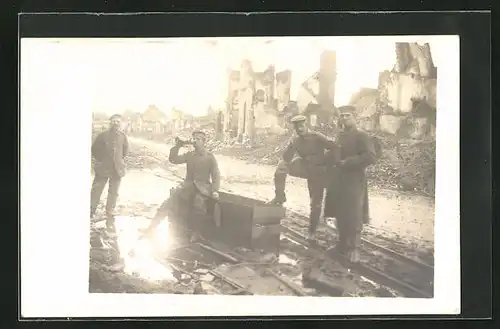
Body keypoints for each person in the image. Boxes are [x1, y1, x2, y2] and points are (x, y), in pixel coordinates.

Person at [267, 115, 339, 240]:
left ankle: (312, 231)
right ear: (294, 128)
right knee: (280, 169)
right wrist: (289, 155)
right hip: (305, 167)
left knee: (315, 203)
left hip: (319, 171)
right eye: (296, 127)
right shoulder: (295, 139)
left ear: (305, 125)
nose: (300, 129)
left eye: (301, 126)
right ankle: (279, 196)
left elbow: (334, 148)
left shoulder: (316, 136)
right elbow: (286, 157)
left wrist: (327, 162)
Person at [142, 130, 221, 241]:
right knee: (169, 202)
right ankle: (151, 227)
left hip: (203, 188)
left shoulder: (209, 157)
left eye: (198, 139)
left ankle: (196, 233)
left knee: (199, 205)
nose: (195, 141)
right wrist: (177, 146)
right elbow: (173, 159)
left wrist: (215, 190)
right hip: (188, 186)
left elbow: (216, 175)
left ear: (204, 142)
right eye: (194, 138)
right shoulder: (190, 155)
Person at [323, 106, 377, 263]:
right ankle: (341, 246)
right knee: (341, 213)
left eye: (348, 115)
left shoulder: (361, 136)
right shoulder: (340, 136)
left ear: (355, 117)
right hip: (339, 179)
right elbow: (335, 154)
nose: (344, 118)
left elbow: (370, 157)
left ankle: (354, 250)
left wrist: (349, 162)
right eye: (342, 116)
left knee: (354, 214)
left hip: (354, 179)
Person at [90, 114, 129, 227]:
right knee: (96, 190)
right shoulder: (102, 136)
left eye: (118, 121)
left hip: (117, 169)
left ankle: (110, 211)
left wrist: (119, 161)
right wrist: (101, 160)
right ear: (110, 122)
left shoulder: (123, 136)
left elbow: (125, 151)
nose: (116, 123)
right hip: (103, 168)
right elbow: (94, 149)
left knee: (114, 192)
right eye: (113, 121)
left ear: (121, 123)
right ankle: (90, 211)